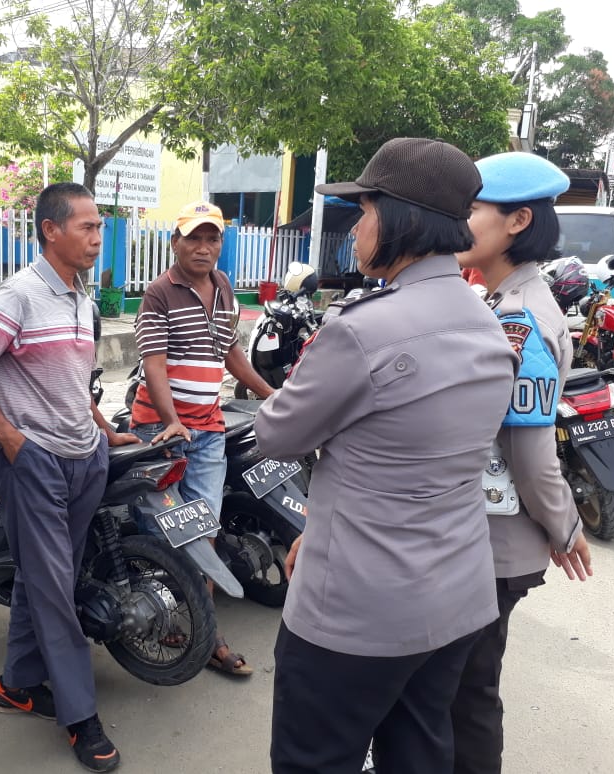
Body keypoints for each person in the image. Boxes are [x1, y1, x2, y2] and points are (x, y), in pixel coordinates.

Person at [254, 138, 519, 774]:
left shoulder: (362, 328)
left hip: (357, 609)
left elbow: (275, 435)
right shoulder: (490, 322)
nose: (356, 227)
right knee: (420, 751)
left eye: (364, 210)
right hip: (456, 593)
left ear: (399, 218)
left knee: (315, 760)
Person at [0, 182, 137, 773]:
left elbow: (73, 385)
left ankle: (15, 686)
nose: (97, 239)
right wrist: (7, 436)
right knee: (55, 589)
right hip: (34, 463)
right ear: (51, 230)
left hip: (85, 457)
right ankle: (80, 717)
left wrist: (105, 431)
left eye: (100, 228)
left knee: (42, 577)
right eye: (87, 227)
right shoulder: (20, 296)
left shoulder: (83, 297)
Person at [451, 151, 593, 774]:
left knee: (469, 693)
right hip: (483, 539)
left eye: (473, 209)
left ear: (516, 222)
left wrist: (564, 528)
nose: (461, 223)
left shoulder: (520, 319)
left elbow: (531, 454)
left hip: (494, 544)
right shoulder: (500, 301)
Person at [127, 200, 275, 677]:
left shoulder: (225, 288)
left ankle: (205, 632)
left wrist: (273, 394)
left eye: (212, 239)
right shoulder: (158, 293)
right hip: (159, 429)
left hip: (209, 431)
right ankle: (168, 620)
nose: (204, 247)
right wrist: (171, 419)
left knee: (204, 531)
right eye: (194, 238)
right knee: (168, 534)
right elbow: (153, 362)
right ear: (175, 242)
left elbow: (230, 353)